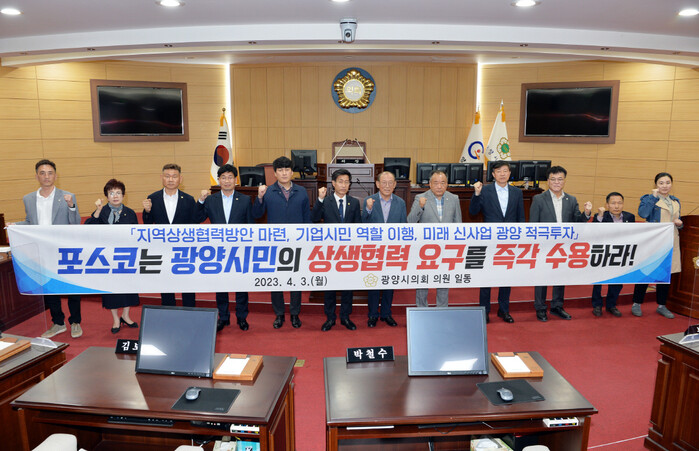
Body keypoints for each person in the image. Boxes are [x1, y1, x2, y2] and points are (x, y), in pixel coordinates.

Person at [15, 159, 83, 338]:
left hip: (64, 250)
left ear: (55, 175)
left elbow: (75, 223)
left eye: (50, 173)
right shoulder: (29, 198)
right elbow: (30, 222)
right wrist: (15, 226)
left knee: (71, 287)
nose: (46, 176)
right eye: (42, 173)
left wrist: (71, 206)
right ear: (36, 176)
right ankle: (58, 322)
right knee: (49, 287)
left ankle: (75, 321)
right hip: (43, 250)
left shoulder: (68, 196)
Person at [253, 156, 310, 328]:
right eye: (280, 170)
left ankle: (294, 314)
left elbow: (307, 218)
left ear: (292, 172)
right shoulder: (268, 191)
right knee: (276, 281)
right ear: (275, 173)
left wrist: (307, 241)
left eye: (287, 170)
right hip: (275, 243)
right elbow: (256, 214)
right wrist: (259, 197)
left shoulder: (302, 191)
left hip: (297, 242)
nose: (284, 173)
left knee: (295, 280)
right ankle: (279, 314)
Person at [529, 165, 592, 321]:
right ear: (548, 181)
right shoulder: (538, 199)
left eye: (560, 179)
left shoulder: (571, 200)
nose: (556, 182)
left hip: (564, 246)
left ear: (564, 181)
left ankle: (557, 306)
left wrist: (586, 213)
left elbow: (577, 222)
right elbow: (533, 224)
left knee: (560, 277)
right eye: (553, 179)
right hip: (544, 246)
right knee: (542, 278)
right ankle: (540, 308)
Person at [198, 164, 253, 332]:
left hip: (240, 250)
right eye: (223, 177)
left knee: (241, 286)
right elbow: (197, 218)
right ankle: (223, 317)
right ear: (218, 180)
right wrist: (200, 201)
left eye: (230, 177)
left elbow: (250, 225)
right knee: (221, 285)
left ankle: (242, 317)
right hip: (218, 250)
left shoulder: (245, 199)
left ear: (235, 180)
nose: (227, 181)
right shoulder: (211, 200)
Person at [469, 161, 525, 324]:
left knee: (506, 276)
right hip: (490, 240)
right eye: (498, 171)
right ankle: (484, 310)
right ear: (493, 174)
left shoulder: (517, 192)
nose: (502, 174)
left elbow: (521, 217)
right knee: (486, 277)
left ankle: (504, 310)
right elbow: (473, 212)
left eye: (505, 171)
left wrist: (521, 239)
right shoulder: (485, 190)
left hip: (510, 241)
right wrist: (476, 194)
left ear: (509, 173)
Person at [142, 163, 203, 307]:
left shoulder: (188, 199)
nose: (170, 179)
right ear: (161, 178)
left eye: (174, 176)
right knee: (166, 284)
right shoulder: (153, 198)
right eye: (167, 176)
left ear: (180, 179)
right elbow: (148, 224)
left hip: (184, 249)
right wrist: (147, 211)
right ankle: (168, 312)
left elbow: (194, 223)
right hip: (163, 248)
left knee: (187, 284)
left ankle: (189, 312)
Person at [85, 179, 140, 333]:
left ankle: (126, 316)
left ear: (123, 195)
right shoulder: (101, 212)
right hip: (107, 257)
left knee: (128, 288)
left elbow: (136, 234)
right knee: (111, 290)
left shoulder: (130, 213)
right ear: (106, 196)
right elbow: (88, 228)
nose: (115, 196)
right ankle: (116, 319)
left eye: (118, 193)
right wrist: (97, 211)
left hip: (126, 256)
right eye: (111, 193)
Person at [312, 168, 361, 331]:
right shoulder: (325, 201)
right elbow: (314, 218)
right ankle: (330, 318)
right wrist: (319, 199)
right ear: (333, 183)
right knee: (330, 286)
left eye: (347, 182)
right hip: (330, 251)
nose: (344, 185)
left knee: (348, 286)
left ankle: (345, 317)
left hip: (348, 252)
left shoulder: (354, 202)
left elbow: (358, 227)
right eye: (340, 181)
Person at [408, 170, 462, 307]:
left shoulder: (454, 198)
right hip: (425, 248)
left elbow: (458, 223)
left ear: (447, 184)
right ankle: (421, 309)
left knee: (443, 278)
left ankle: (442, 308)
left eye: (442, 183)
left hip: (446, 246)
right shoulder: (420, 197)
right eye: (436, 183)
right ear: (430, 184)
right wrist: (420, 207)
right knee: (423, 279)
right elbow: (410, 221)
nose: (439, 186)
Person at [631, 172, 682, 319]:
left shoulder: (675, 201)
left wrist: (680, 224)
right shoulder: (648, 199)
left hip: (670, 240)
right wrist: (653, 197)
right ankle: (636, 303)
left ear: (671, 184)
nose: (665, 186)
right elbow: (643, 213)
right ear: (656, 185)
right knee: (646, 271)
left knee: (665, 273)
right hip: (653, 241)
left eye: (668, 182)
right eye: (661, 183)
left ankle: (662, 305)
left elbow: (678, 220)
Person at [362, 171, 407, 327]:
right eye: (384, 182)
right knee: (373, 283)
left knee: (389, 283)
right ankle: (373, 314)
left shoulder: (400, 203)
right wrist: (368, 210)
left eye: (390, 183)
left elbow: (403, 226)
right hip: (374, 249)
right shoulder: (369, 201)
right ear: (377, 184)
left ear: (395, 185)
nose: (387, 186)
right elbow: (362, 225)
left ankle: (386, 313)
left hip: (393, 250)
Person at [590, 192, 635, 317]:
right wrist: (599, 216)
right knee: (598, 281)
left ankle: (611, 305)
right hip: (603, 252)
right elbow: (593, 231)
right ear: (607, 205)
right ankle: (597, 305)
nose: (616, 206)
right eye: (613, 203)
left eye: (619, 203)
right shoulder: (601, 216)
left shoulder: (629, 217)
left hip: (620, 254)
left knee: (617, 281)